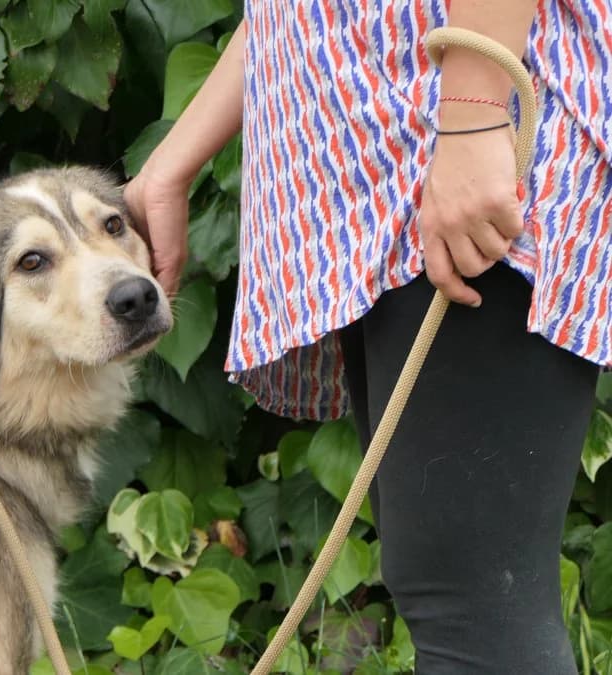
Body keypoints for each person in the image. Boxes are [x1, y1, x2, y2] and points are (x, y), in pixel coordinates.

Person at [125, 1, 611, 672]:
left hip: (444, 139)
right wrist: (169, 164)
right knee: (448, 591)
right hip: (379, 162)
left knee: (472, 612)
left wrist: (474, 104)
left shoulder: (463, 120)